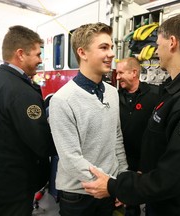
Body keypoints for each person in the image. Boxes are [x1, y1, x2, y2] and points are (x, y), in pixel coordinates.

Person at [82, 14, 180, 216]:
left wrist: (116, 186)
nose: (157, 51)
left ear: (172, 43)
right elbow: (165, 149)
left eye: (158, 44)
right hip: (161, 202)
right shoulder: (174, 91)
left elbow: (173, 178)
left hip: (177, 208)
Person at [48, 22, 128, 216]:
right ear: (82, 53)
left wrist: (122, 179)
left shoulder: (112, 92)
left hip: (109, 187)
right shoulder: (63, 100)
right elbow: (70, 158)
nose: (111, 54)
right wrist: (110, 184)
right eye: (103, 47)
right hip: (78, 196)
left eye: (111, 47)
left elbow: (116, 137)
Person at [0, 25, 54, 216]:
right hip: (14, 182)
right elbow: (41, 142)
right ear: (20, 54)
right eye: (37, 54)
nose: (40, 60)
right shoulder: (21, 92)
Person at [116, 57, 159, 216]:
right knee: (128, 205)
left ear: (134, 73)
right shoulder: (114, 97)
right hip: (123, 163)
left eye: (121, 73)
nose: (117, 77)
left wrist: (146, 165)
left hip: (147, 164)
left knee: (151, 202)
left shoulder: (155, 95)